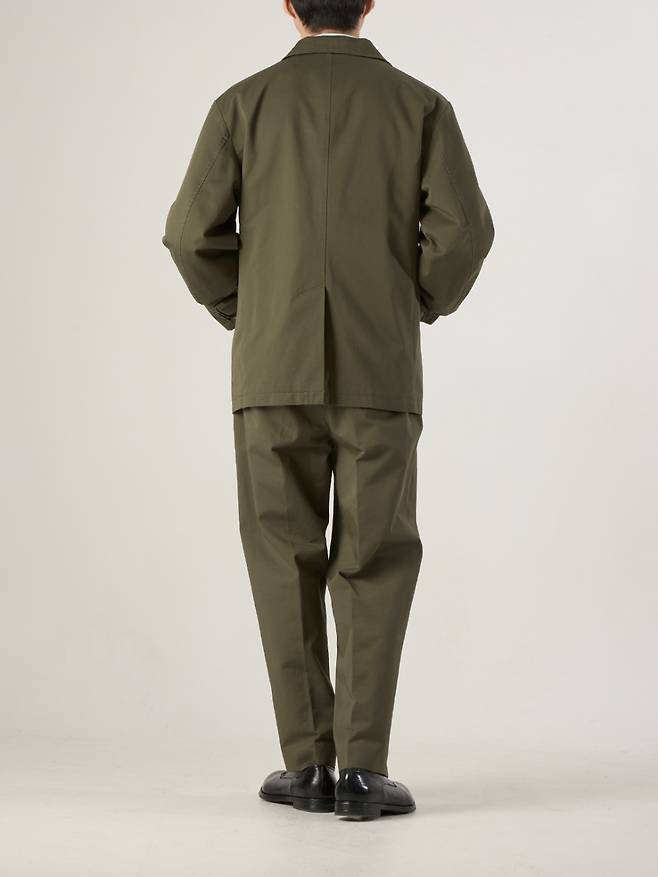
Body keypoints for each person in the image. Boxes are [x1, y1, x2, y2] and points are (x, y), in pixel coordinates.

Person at [162, 0, 494, 820]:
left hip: (271, 371)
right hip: (379, 372)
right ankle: (364, 774)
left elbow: (189, 233)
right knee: (375, 559)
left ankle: (307, 765)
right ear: (369, 2)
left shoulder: (243, 104)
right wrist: (411, 301)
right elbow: (464, 233)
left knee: (283, 559)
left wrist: (249, 309)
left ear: (289, 5)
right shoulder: (420, 106)